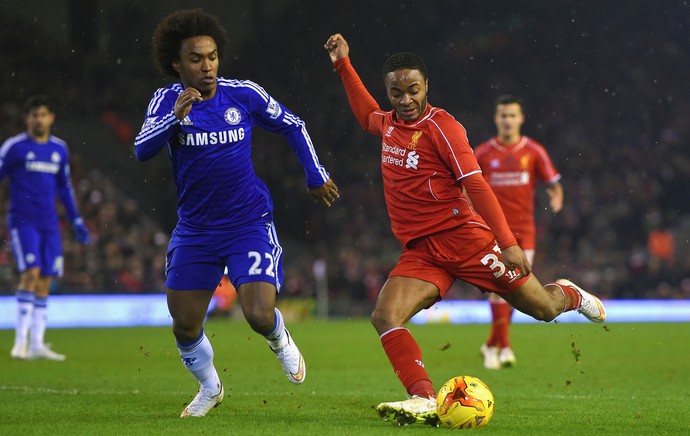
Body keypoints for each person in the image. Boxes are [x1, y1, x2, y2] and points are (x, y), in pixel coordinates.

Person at [324, 33, 605, 426]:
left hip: (467, 240)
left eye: (413, 90)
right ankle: (422, 397)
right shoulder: (387, 124)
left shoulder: (443, 128)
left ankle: (570, 295)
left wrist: (506, 244)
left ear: (426, 86)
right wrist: (343, 63)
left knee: (543, 308)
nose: (405, 100)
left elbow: (476, 185)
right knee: (385, 315)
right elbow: (365, 114)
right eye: (396, 93)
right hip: (422, 250)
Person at [134, 9, 339, 418]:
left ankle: (279, 338)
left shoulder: (243, 94)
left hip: (248, 222)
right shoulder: (164, 102)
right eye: (196, 58)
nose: (207, 65)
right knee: (185, 325)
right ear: (177, 64)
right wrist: (175, 118)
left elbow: (293, 125)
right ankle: (210, 387)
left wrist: (315, 174)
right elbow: (142, 150)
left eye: (211, 56)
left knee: (259, 313)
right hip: (196, 230)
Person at [474, 95, 564, 370]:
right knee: (499, 288)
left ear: (521, 119)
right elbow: (466, 186)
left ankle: (492, 345)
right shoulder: (483, 153)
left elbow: (553, 182)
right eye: (503, 115)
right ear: (496, 118)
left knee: (514, 288)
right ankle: (504, 347)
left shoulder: (533, 151)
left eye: (512, 115)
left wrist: (557, 196)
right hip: (493, 232)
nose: (508, 120)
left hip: (525, 232)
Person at [1, 95, 90, 361]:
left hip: (49, 223)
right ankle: (20, 343)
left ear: (51, 118)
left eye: (43, 114)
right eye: (33, 115)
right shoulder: (14, 147)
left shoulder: (59, 149)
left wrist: (75, 219)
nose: (38, 119)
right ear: (26, 119)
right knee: (31, 272)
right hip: (22, 221)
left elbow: (65, 186)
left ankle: (37, 343)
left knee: (46, 278)